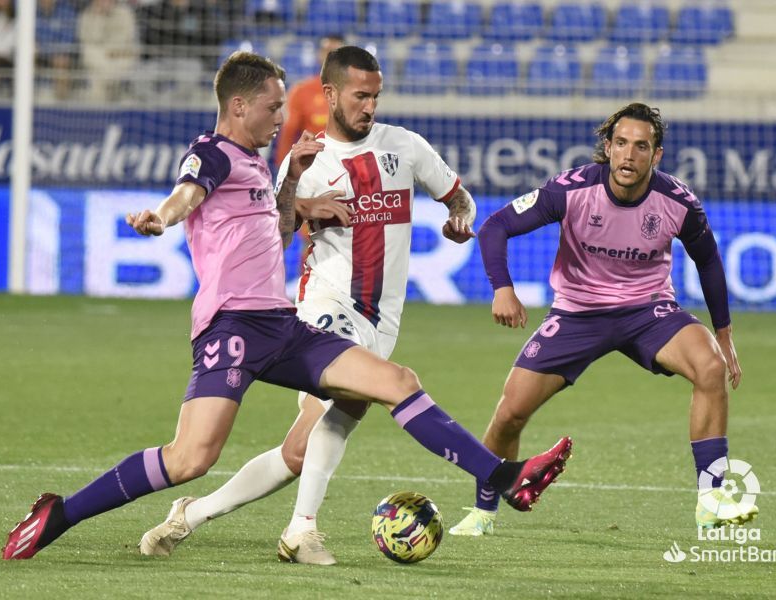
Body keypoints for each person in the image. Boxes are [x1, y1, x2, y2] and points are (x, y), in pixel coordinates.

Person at [1, 51, 572, 560]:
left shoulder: (258, 164)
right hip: (232, 328)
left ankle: (504, 476)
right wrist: (161, 217)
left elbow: (274, 231)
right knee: (189, 459)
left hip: (280, 325)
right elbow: (186, 194)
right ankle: (61, 514)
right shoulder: (214, 152)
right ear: (240, 105)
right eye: (274, 107)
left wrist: (293, 186)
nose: (283, 118)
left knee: (397, 381)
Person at [137, 45, 521, 566]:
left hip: (382, 319)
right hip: (325, 304)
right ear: (332, 95)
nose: (370, 106)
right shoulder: (305, 162)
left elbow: (459, 196)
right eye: (361, 96)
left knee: (299, 451)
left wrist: (459, 217)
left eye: (376, 96)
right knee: (329, 414)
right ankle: (302, 531)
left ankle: (193, 513)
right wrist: (298, 200)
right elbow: (273, 233)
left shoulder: (404, 146)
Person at [447, 102, 757, 537]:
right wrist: (503, 288)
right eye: (622, 144)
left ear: (657, 155)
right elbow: (496, 226)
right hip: (578, 313)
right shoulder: (569, 190)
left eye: (642, 147)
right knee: (510, 413)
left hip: (648, 311)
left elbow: (708, 261)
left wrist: (724, 336)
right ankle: (482, 512)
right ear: (608, 148)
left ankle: (713, 500)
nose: (630, 156)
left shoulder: (678, 202)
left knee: (710, 367)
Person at [273, 35, 344, 165]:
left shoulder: (357, 93)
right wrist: (283, 170)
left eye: (338, 54)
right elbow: (288, 133)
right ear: (319, 55)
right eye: (327, 52)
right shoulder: (301, 91)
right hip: (312, 168)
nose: (332, 59)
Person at [77, 0, 138, 102]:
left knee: (125, 58)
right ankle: (110, 85)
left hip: (118, 55)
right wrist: (99, 17)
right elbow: (89, 39)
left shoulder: (125, 13)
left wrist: (113, 50)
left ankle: (111, 86)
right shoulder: (87, 14)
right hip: (99, 56)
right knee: (90, 54)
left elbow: (128, 36)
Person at [35, 0, 77, 100]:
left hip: (59, 55)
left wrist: (49, 51)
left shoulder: (66, 11)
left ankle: (61, 102)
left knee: (61, 61)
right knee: (28, 56)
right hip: (39, 55)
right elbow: (30, 38)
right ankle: (28, 96)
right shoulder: (31, 11)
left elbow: (68, 40)